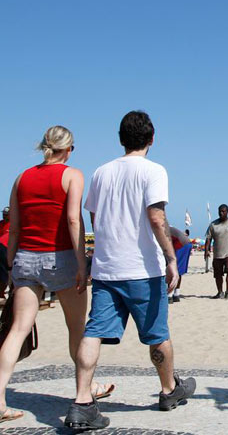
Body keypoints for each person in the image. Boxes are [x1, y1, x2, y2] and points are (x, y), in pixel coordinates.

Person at [64, 111, 195, 430]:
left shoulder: (102, 172)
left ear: (121, 139)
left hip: (108, 268)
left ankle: (82, 401)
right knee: (157, 333)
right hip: (142, 269)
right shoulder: (154, 171)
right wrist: (171, 258)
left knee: (93, 332)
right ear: (152, 138)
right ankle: (168, 391)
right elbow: (155, 218)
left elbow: (95, 218)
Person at [0, 126, 114, 425]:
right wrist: (81, 263)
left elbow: (15, 225)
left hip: (25, 258)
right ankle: (86, 390)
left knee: (17, 330)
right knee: (77, 328)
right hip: (60, 256)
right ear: (68, 148)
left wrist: (11, 264)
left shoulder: (22, 177)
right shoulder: (72, 175)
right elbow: (73, 219)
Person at [204, 205, 228, 300]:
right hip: (217, 254)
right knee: (218, 275)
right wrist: (206, 250)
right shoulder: (213, 225)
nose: (221, 213)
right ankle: (220, 292)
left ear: (227, 212)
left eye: (223, 211)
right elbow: (208, 239)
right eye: (220, 211)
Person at [169, 227, 192, 303]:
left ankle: (170, 295)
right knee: (178, 270)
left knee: (173, 269)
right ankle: (176, 294)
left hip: (181, 244)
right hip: (186, 244)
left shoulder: (159, 229)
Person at [0, 207, 10, 299]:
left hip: (7, 248)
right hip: (2, 247)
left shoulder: (14, 224)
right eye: (4, 213)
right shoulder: (1, 223)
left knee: (5, 272)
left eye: (6, 214)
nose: (4, 215)